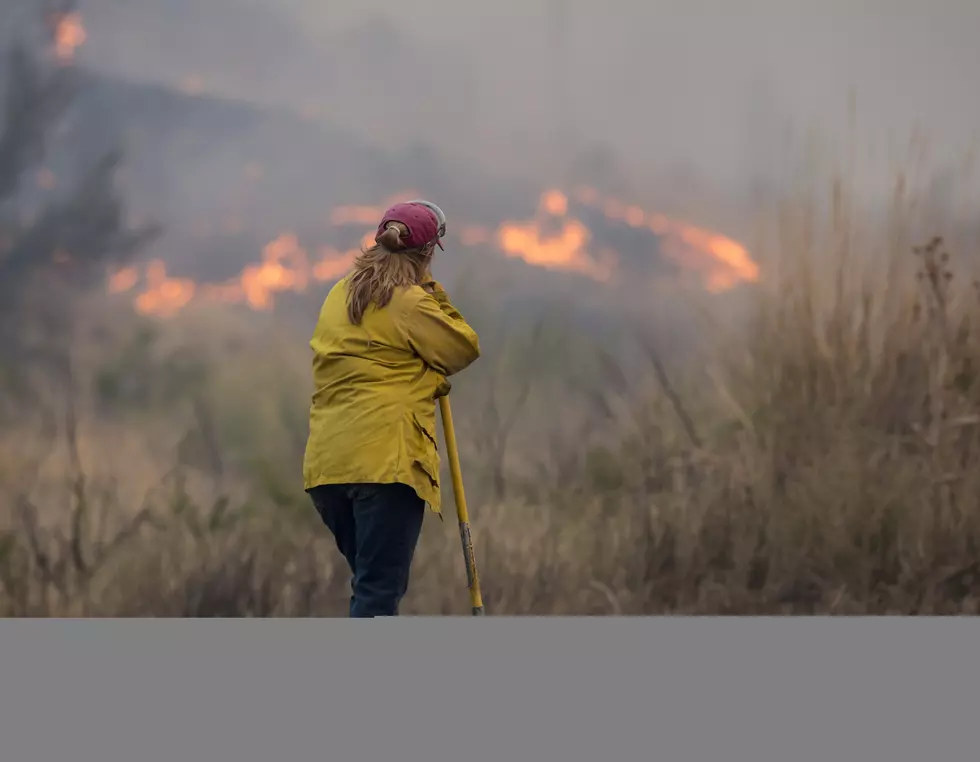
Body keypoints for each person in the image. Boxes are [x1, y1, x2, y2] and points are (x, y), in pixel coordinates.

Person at [303, 200, 481, 617]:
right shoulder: (410, 301)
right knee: (379, 594)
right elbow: (462, 346)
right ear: (427, 253)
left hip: (328, 467)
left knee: (369, 586)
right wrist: (432, 288)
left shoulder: (338, 293)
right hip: (385, 463)